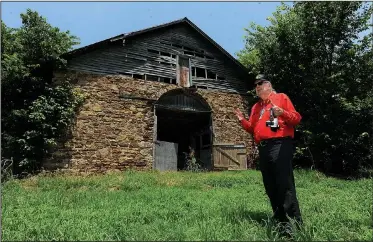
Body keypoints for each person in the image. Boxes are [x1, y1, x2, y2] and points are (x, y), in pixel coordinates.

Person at [235, 74, 303, 232]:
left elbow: (296, 118)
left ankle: (294, 226)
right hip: (264, 148)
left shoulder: (281, 98)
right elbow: (252, 128)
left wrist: (282, 113)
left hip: (280, 144)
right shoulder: (255, 107)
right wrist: (241, 120)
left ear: (269, 85)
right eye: (256, 85)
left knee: (284, 184)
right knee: (270, 186)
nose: (257, 87)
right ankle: (281, 223)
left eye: (261, 83)